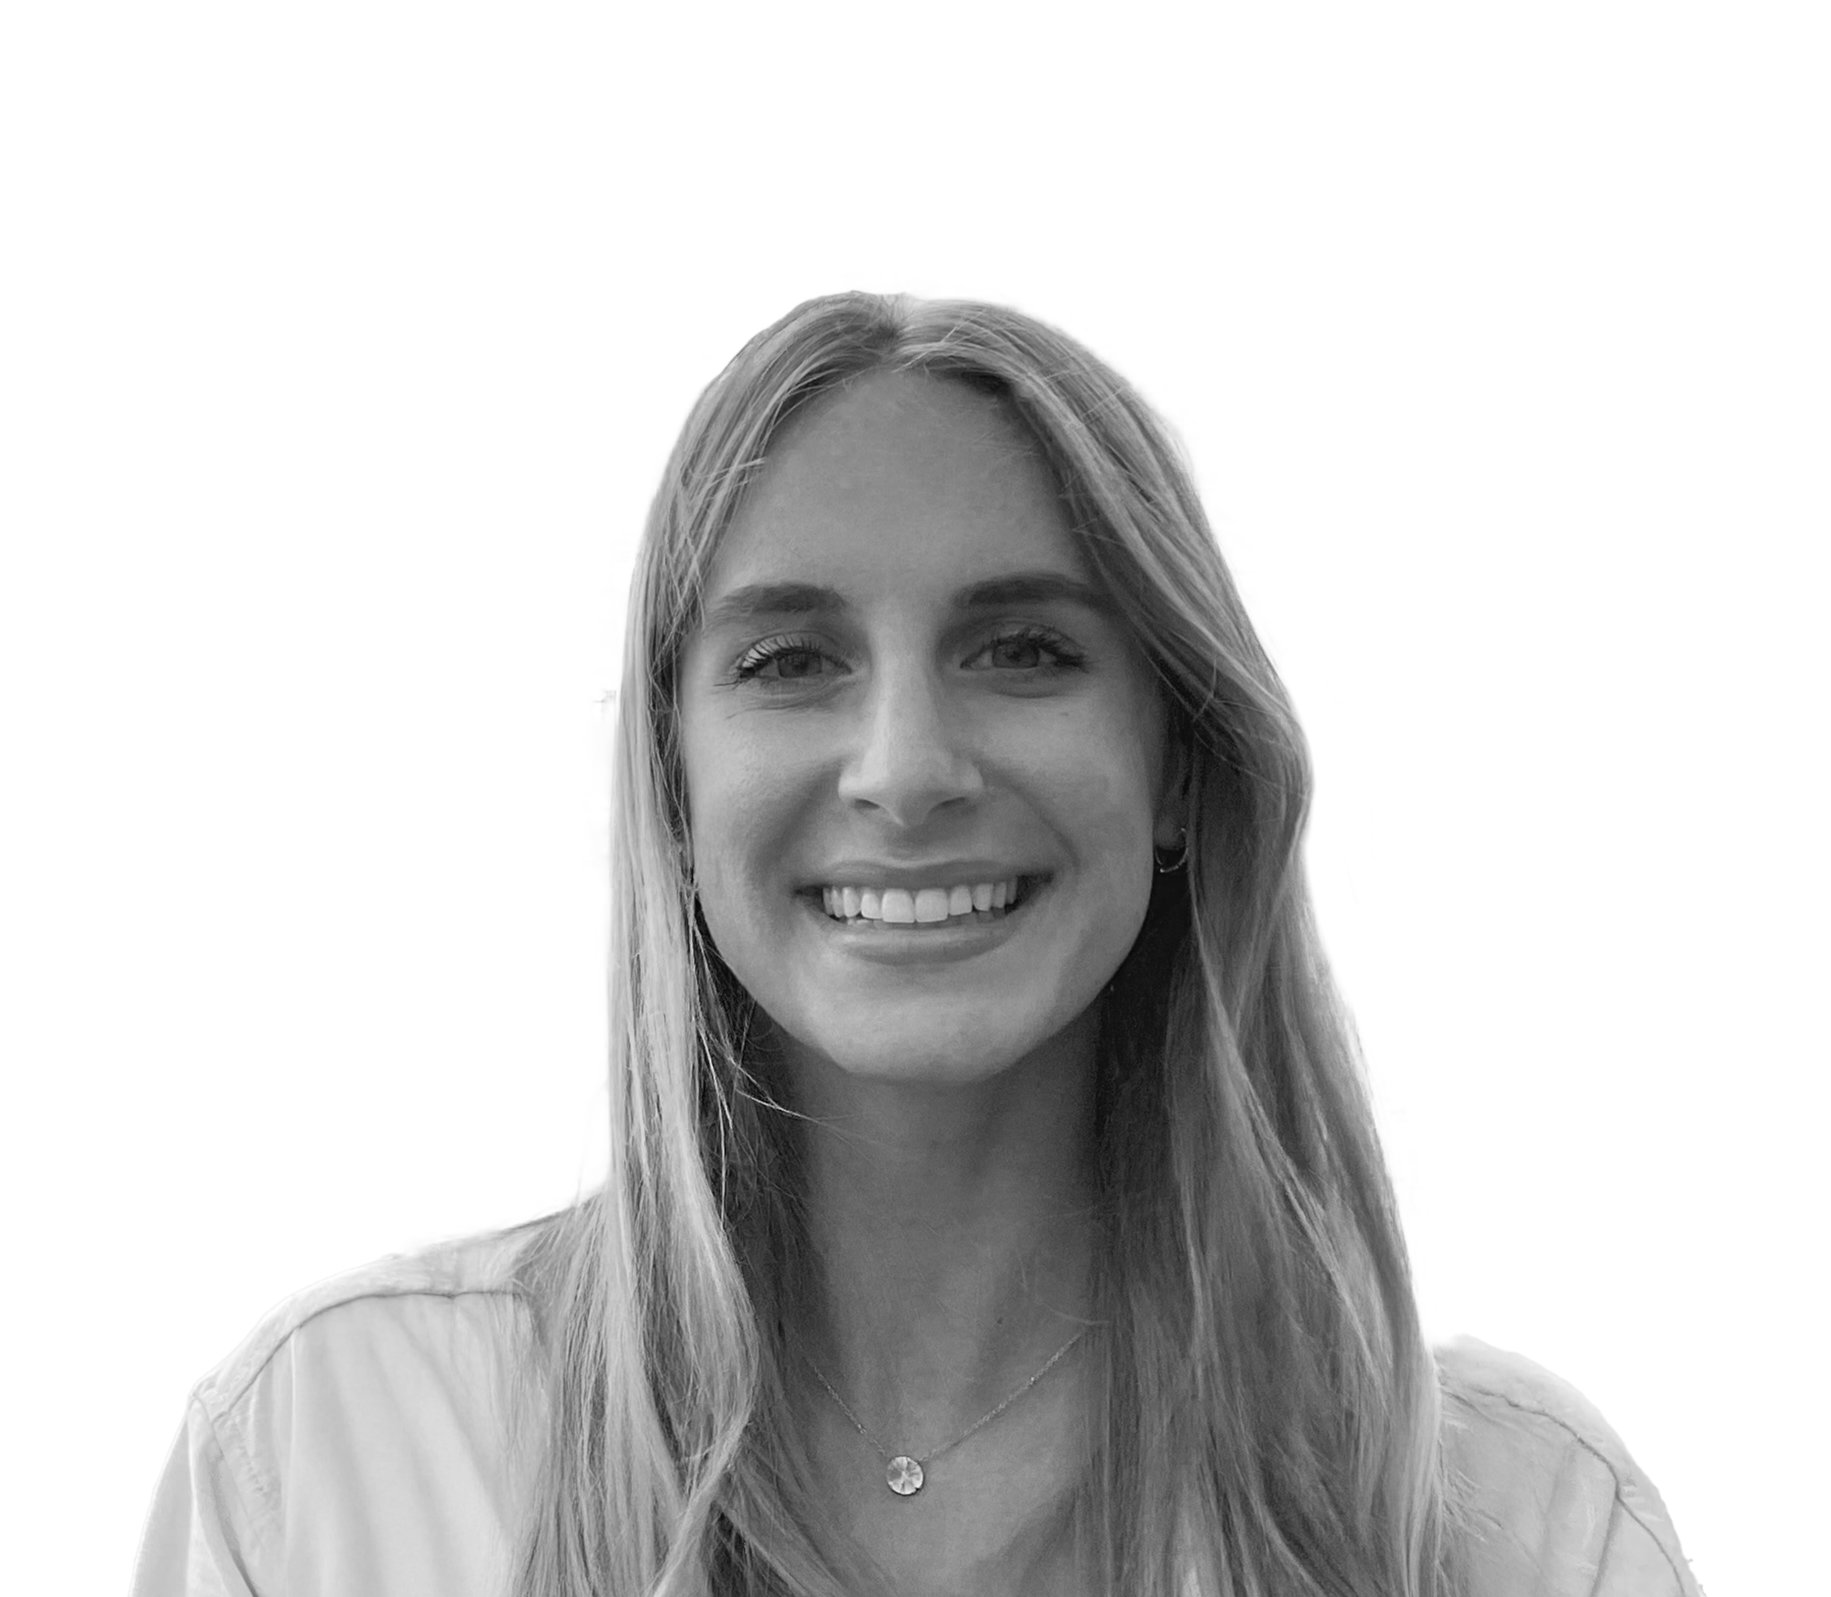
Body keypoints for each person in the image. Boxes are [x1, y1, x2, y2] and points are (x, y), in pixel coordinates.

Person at [132, 293, 1704, 1596]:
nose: (902, 767)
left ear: (1178, 762)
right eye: (792, 657)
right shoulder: (332, 1457)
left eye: (1023, 650)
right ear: (672, 787)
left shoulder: (1514, 1527)